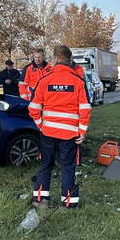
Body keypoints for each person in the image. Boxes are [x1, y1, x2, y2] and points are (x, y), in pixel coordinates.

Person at [28, 45, 91, 209]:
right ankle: (68, 203)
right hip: (70, 134)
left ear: (55, 59)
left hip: (48, 132)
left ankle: (41, 201)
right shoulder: (78, 81)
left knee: (46, 165)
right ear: (70, 60)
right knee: (68, 167)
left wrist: (41, 125)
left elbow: (33, 108)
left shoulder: (44, 80)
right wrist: (82, 132)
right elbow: (85, 108)